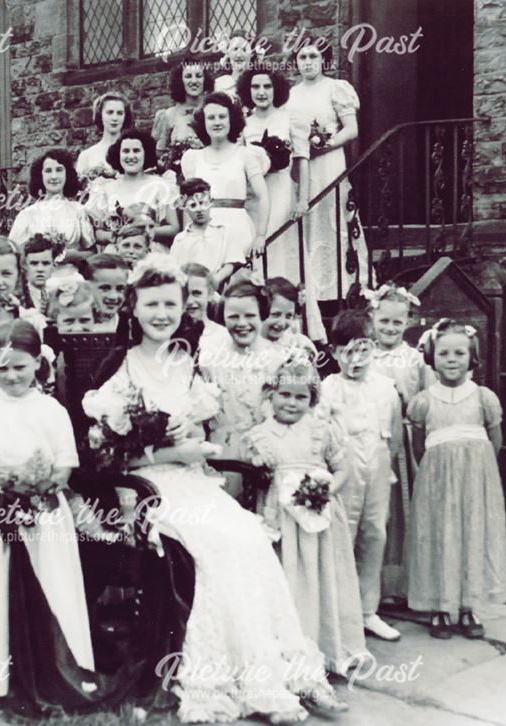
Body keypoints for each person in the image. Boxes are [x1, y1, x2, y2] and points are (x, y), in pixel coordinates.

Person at [84, 253, 346, 724]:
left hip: (192, 482)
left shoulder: (189, 365)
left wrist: (195, 450)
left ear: (183, 307)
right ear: (133, 308)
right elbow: (108, 457)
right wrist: (173, 454)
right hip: (144, 489)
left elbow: (202, 436)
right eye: (151, 305)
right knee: (217, 545)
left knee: (248, 541)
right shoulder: (119, 370)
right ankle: (223, 680)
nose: (161, 314)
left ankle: (284, 672)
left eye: (170, 304)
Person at [0, 320, 98, 709]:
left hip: (42, 511)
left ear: (37, 364)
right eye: (1, 367)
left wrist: (42, 490)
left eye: (20, 366)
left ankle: (58, 666)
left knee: (50, 584)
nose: (10, 375)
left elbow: (65, 465)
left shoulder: (52, 409)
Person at [244, 357, 369, 674]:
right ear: (271, 395)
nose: (291, 403)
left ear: (312, 400)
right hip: (281, 519)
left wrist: (325, 490)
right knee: (289, 580)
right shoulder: (260, 435)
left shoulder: (321, 432)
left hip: (319, 519)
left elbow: (343, 470)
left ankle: (328, 646)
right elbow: (253, 479)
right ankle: (290, 650)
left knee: (324, 576)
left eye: (301, 397)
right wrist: (259, 470)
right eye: (285, 394)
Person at [407, 319, 506, 639]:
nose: (451, 359)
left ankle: (468, 607)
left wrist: (477, 471)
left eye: (459, 353)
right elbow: (419, 444)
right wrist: (440, 472)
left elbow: (495, 441)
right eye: (443, 354)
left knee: (472, 535)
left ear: (472, 358)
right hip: (437, 484)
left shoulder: (483, 398)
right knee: (441, 535)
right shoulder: (425, 400)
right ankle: (441, 606)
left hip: (476, 482)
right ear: (432, 358)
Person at [318, 310, 402, 642]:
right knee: (343, 535)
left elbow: (393, 433)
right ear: (335, 352)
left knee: (374, 533)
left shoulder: (385, 387)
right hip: (343, 469)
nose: (356, 359)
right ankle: (341, 613)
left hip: (378, 466)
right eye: (347, 351)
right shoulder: (328, 388)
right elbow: (320, 434)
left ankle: (368, 611)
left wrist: (386, 466)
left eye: (363, 349)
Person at [286, 36, 370, 307]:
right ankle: (312, 289)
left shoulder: (336, 88)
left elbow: (352, 129)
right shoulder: (291, 94)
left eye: (313, 56)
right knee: (307, 216)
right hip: (302, 163)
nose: (308, 62)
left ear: (324, 59)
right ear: (296, 62)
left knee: (332, 216)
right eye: (302, 57)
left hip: (329, 161)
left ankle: (343, 286)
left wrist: (325, 144)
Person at [364, 283, 431, 604]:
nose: (390, 328)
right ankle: (376, 584)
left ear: (408, 322)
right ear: (372, 320)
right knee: (379, 511)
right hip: (373, 439)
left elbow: (425, 400)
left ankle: (404, 584)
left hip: (405, 441)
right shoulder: (365, 355)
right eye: (384, 322)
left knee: (405, 508)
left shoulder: (414, 359)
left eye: (397, 322)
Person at [204, 278, 285, 497]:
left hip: (266, 449)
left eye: (250, 316)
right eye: (233, 316)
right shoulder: (211, 358)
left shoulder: (276, 359)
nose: (242, 323)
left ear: (262, 315)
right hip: (223, 449)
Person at [181, 92, 269, 281]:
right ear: (203, 122)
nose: (217, 122)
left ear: (232, 120)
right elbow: (187, 203)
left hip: (237, 228)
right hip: (203, 228)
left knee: (238, 285)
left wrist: (260, 235)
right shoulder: (193, 158)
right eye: (211, 117)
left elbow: (263, 196)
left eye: (222, 116)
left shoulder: (244, 154)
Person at [238, 64, 310, 285]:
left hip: (281, 192)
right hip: (254, 196)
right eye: (255, 87)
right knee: (255, 245)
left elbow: (302, 159)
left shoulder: (289, 118)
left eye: (267, 86)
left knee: (278, 245)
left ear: (275, 89)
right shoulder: (244, 123)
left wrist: (303, 199)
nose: (261, 92)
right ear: (247, 91)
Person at [86, 129, 180, 249]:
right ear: (118, 155)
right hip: (117, 250)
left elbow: (174, 228)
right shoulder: (107, 189)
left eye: (136, 151)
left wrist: (144, 232)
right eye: (126, 151)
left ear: (145, 153)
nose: (131, 156)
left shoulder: (160, 186)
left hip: (151, 250)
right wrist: (115, 235)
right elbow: (98, 232)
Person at [9, 149, 95, 250]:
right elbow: (15, 252)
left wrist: (69, 257)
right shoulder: (27, 214)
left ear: (67, 174)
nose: (54, 176)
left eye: (59, 170)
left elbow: (91, 252)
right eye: (48, 171)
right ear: (41, 176)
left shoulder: (78, 211)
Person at [170, 178, 248, 285]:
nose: (199, 209)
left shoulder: (223, 231)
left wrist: (216, 279)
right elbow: (174, 270)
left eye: (202, 203)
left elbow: (232, 261)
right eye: (193, 205)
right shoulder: (181, 239)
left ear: (211, 202)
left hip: (216, 285)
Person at [152, 57, 210, 181]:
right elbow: (159, 157)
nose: (194, 81)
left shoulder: (213, 112)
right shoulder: (168, 116)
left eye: (198, 76)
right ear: (180, 80)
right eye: (188, 76)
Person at [76, 91, 133, 183]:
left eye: (120, 113)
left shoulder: (134, 151)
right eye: (110, 112)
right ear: (100, 115)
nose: (114, 118)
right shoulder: (86, 155)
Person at [262, 277, 321, 354]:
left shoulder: (299, 344)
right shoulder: (248, 346)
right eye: (276, 315)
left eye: (289, 316)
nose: (282, 323)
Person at [181, 263, 230, 354]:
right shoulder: (170, 333)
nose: (190, 301)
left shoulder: (222, 336)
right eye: (184, 294)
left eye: (197, 293)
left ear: (210, 294)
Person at [84, 253, 129, 334]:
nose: (113, 296)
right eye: (104, 288)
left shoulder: (128, 324)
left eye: (120, 289)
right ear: (85, 288)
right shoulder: (72, 324)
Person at [213, 30, 255, 100]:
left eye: (244, 50)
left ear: (252, 54)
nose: (239, 55)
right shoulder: (219, 85)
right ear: (228, 53)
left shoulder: (258, 83)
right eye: (235, 49)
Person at [22, 234, 58, 312]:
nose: (40, 269)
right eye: (34, 263)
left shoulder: (58, 295)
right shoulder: (20, 297)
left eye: (45, 263)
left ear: (54, 266)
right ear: (25, 266)